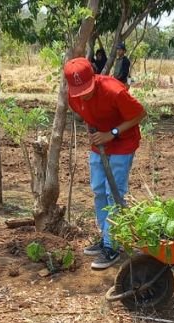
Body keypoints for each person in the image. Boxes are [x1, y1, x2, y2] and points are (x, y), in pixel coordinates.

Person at [63, 57, 147, 269]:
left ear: (94, 76)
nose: (84, 94)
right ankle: (105, 237)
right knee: (99, 190)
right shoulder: (72, 97)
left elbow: (140, 114)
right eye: (79, 91)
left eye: (87, 88)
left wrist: (112, 133)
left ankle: (113, 245)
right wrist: (94, 133)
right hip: (98, 144)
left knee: (114, 193)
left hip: (122, 144)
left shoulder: (114, 91)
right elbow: (86, 116)